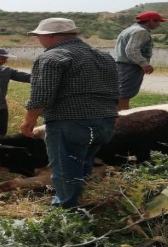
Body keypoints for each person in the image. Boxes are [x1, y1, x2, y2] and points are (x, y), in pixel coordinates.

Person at [20, 18, 119, 210]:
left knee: (65, 168)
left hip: (71, 122)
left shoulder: (52, 57)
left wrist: (29, 120)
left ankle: (67, 210)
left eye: (39, 36)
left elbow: (41, 96)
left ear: (50, 36)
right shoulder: (103, 56)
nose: (39, 40)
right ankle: (80, 200)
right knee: (83, 162)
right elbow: (115, 90)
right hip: (105, 121)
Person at [113, 11, 168, 110]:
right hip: (130, 66)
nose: (159, 25)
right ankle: (122, 119)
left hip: (122, 65)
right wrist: (144, 64)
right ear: (151, 21)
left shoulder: (128, 30)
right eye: (158, 22)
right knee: (124, 95)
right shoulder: (141, 31)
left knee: (121, 93)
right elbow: (132, 50)